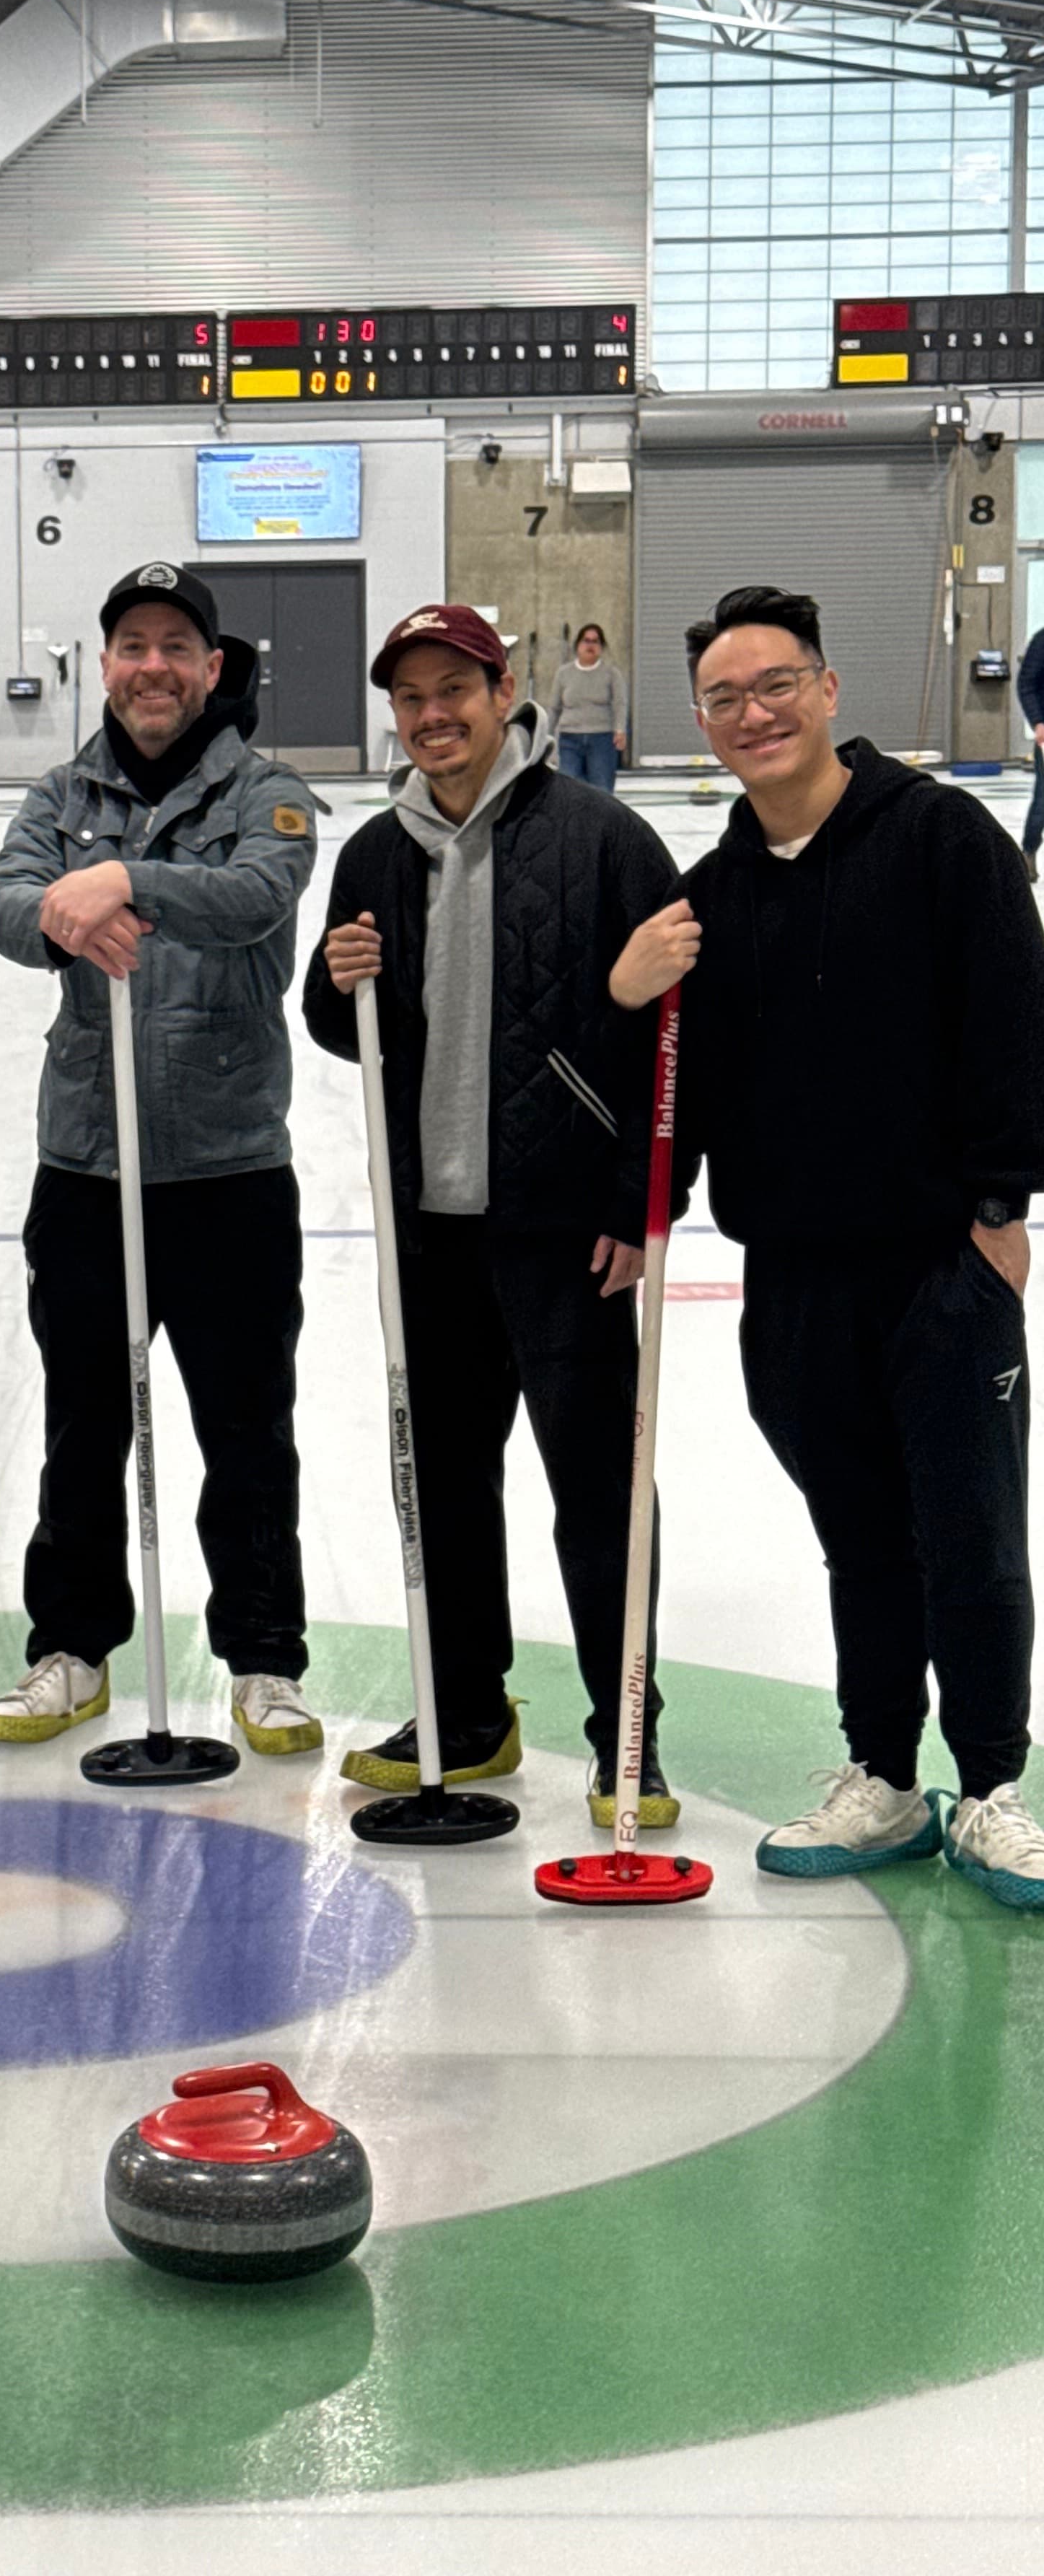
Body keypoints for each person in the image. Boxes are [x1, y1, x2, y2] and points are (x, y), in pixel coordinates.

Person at [611, 584, 1044, 1909]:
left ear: (826, 690)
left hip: (939, 1263)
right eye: (724, 698)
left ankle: (991, 1785)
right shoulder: (708, 898)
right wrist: (625, 996)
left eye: (775, 685)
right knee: (859, 1535)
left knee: (969, 1534)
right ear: (701, 721)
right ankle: (883, 1775)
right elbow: (680, 1092)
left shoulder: (940, 839)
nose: (753, 714)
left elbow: (1012, 1021)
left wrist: (1000, 1213)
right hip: (793, 1275)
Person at [307, 604, 679, 1822]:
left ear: (501, 690)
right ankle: (466, 1712)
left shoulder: (601, 839)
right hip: (431, 1229)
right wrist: (334, 986)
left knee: (598, 1492)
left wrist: (642, 1202)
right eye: (409, 698)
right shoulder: (375, 853)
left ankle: (628, 1733)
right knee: (445, 1487)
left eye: (451, 691)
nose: (432, 717)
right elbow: (339, 1023)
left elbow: (672, 1039)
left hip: (566, 1229)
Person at [0, 561, 320, 1756]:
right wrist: (59, 909)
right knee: (84, 1425)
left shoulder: (269, 792)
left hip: (228, 1169)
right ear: (106, 664)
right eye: (133, 645)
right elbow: (4, 905)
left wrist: (123, 881)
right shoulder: (61, 792)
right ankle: (70, 1648)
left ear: (212, 668)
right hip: (87, 1164)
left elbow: (256, 895)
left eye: (177, 646)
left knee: (246, 1428)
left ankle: (263, 1658)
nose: (153, 666)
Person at [550, 623, 627, 794]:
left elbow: (620, 703)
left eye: (595, 641)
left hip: (602, 740)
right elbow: (554, 708)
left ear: (601, 647)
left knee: (602, 791)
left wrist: (620, 730)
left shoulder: (611, 673)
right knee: (568, 791)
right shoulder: (563, 674)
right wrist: (546, 736)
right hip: (569, 740)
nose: (590, 645)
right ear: (578, 645)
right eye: (586, 641)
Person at [1019, 615, 1044, 884]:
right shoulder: (1042, 641)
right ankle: (1028, 852)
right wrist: (1038, 721)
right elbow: (1026, 684)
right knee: (1043, 799)